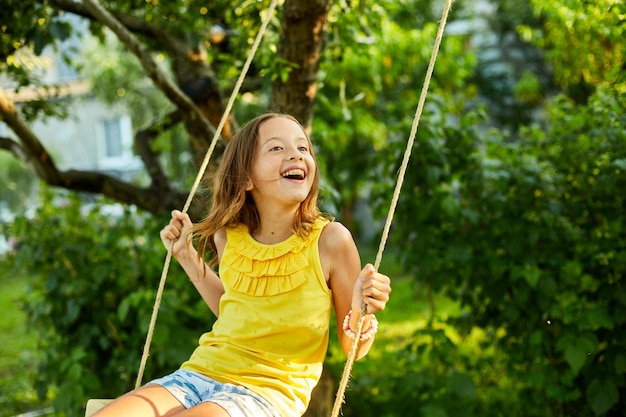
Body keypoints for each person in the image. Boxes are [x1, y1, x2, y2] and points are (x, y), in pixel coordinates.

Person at [93, 113, 392, 417]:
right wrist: (186, 256)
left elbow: (354, 350)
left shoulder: (330, 241)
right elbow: (233, 309)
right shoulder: (229, 235)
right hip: (200, 373)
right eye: (276, 148)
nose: (295, 154)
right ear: (247, 177)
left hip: (268, 393)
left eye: (303, 148)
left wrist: (361, 313)